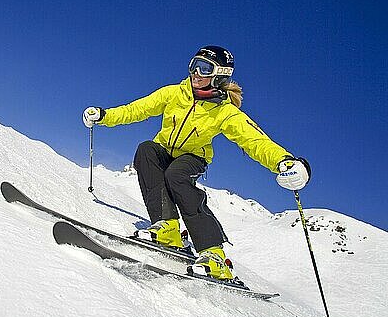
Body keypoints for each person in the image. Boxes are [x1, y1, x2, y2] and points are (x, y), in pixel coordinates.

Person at [82, 45, 310, 281]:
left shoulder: (225, 112)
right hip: (164, 149)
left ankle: (214, 254)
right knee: (146, 150)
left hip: (192, 157)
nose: (196, 73)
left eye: (204, 68)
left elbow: (254, 139)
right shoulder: (174, 93)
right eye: (194, 65)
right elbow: (138, 109)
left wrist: (284, 161)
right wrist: (104, 115)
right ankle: (167, 228)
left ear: (219, 75)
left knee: (176, 175)